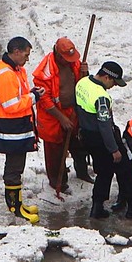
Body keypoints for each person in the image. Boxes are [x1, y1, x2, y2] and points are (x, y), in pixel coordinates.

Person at [75, 61, 132, 220]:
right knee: (126, 169)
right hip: (102, 138)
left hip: (87, 136)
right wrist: (114, 149)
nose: (114, 86)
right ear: (107, 77)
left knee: (104, 171)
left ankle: (97, 206)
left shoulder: (82, 83)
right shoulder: (101, 97)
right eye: (114, 82)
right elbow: (104, 126)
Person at [0, 36, 45, 224]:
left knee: (16, 166)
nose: (28, 59)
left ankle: (17, 204)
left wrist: (30, 94)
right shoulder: (7, 74)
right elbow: (11, 105)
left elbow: (18, 95)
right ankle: (15, 207)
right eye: (26, 55)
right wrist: (34, 97)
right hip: (10, 129)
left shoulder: (14, 69)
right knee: (14, 168)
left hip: (13, 127)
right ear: (17, 52)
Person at [32, 37, 92, 194]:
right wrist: (62, 118)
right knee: (55, 151)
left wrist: (85, 73)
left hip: (73, 111)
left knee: (79, 144)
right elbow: (44, 99)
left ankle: (82, 172)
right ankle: (58, 182)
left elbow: (82, 84)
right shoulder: (44, 72)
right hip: (52, 117)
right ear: (58, 55)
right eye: (67, 58)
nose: (71, 61)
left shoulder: (75, 63)